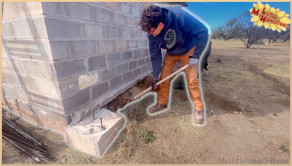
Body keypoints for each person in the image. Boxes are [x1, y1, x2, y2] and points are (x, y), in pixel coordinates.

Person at [138, 5, 209, 125]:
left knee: (192, 80)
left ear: (160, 24)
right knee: (163, 78)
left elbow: (203, 32)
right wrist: (155, 77)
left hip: (188, 50)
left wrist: (196, 56)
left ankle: (199, 109)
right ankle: (162, 103)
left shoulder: (180, 16)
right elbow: (155, 56)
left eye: (152, 31)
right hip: (172, 52)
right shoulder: (151, 33)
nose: (151, 34)